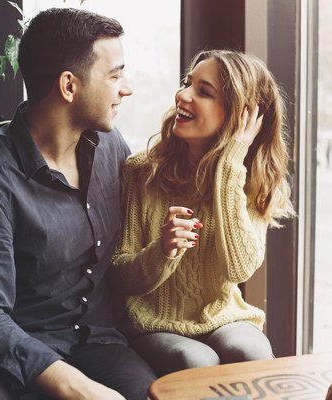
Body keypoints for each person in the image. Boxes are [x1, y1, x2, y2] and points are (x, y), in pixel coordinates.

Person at [0, 8, 156, 400]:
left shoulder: (111, 147)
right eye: (115, 74)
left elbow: (166, 187)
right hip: (3, 354)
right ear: (69, 86)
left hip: (97, 343)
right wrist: (75, 386)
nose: (126, 88)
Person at [110, 49, 295, 376]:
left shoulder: (251, 181)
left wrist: (228, 171)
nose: (182, 95)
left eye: (203, 92)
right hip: (155, 323)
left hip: (222, 316)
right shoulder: (140, 172)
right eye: (186, 83)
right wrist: (163, 250)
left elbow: (239, 269)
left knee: (252, 351)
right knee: (196, 361)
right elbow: (120, 275)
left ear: (241, 115)